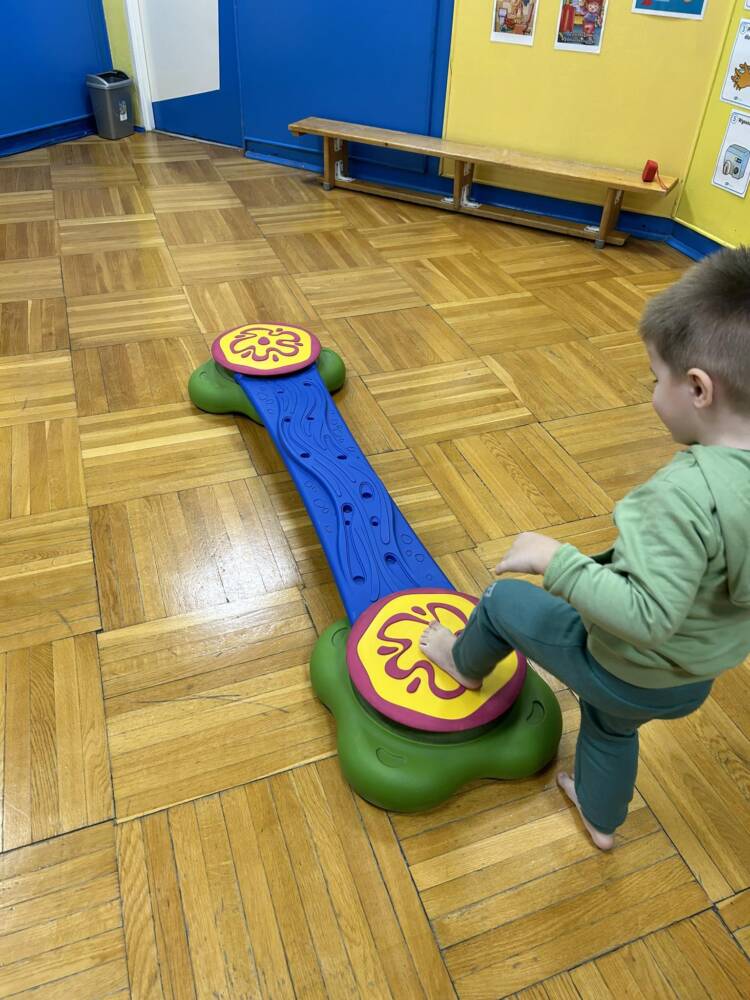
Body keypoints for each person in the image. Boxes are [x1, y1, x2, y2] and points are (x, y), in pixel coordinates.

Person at [421, 246, 750, 850]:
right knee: (611, 725)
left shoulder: (685, 495)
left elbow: (647, 617)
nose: (653, 390)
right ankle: (601, 819)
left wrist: (556, 560)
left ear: (698, 388)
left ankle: (461, 664)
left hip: (627, 666)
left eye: (657, 378)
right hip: (690, 679)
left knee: (500, 602)